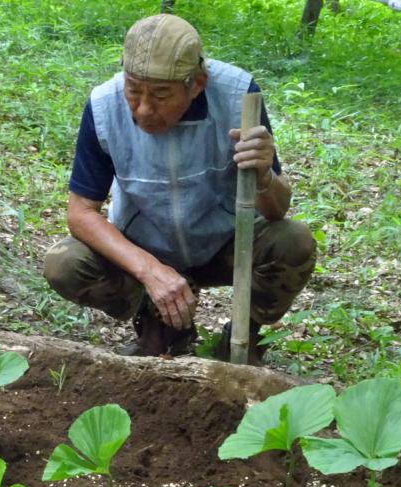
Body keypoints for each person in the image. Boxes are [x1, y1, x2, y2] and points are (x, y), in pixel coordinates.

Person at [44, 14, 316, 361]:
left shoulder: (236, 96)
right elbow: (81, 213)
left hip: (224, 243)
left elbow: (277, 209)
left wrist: (263, 175)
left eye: (160, 95)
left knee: (295, 241)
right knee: (65, 264)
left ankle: (243, 331)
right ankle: (161, 324)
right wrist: (150, 271)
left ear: (197, 84)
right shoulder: (103, 106)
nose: (143, 109)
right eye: (134, 90)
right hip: (145, 245)